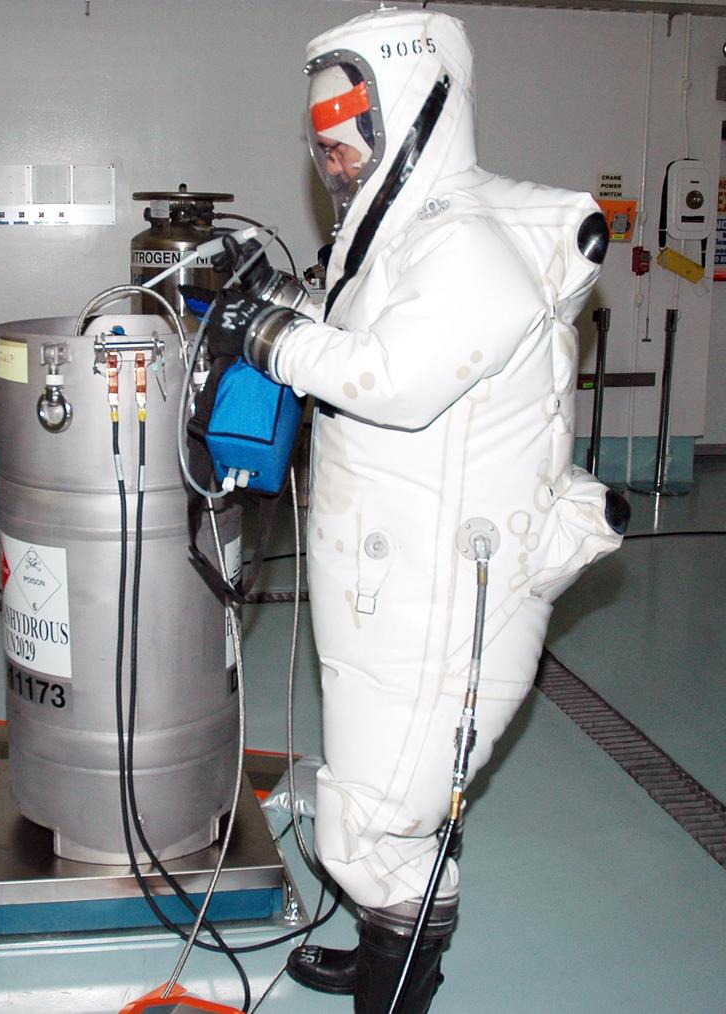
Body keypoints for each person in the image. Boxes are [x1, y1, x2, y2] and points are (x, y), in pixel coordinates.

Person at [198, 9, 627, 1012]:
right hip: (387, 579)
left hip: (446, 590)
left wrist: (270, 335)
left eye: (351, 121)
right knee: (378, 800)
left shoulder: (463, 247)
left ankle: (394, 988)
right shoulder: (383, 238)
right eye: (321, 130)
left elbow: (388, 378)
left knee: (375, 817)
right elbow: (350, 329)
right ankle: (389, 938)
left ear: (418, 111)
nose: (332, 150)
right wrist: (280, 306)